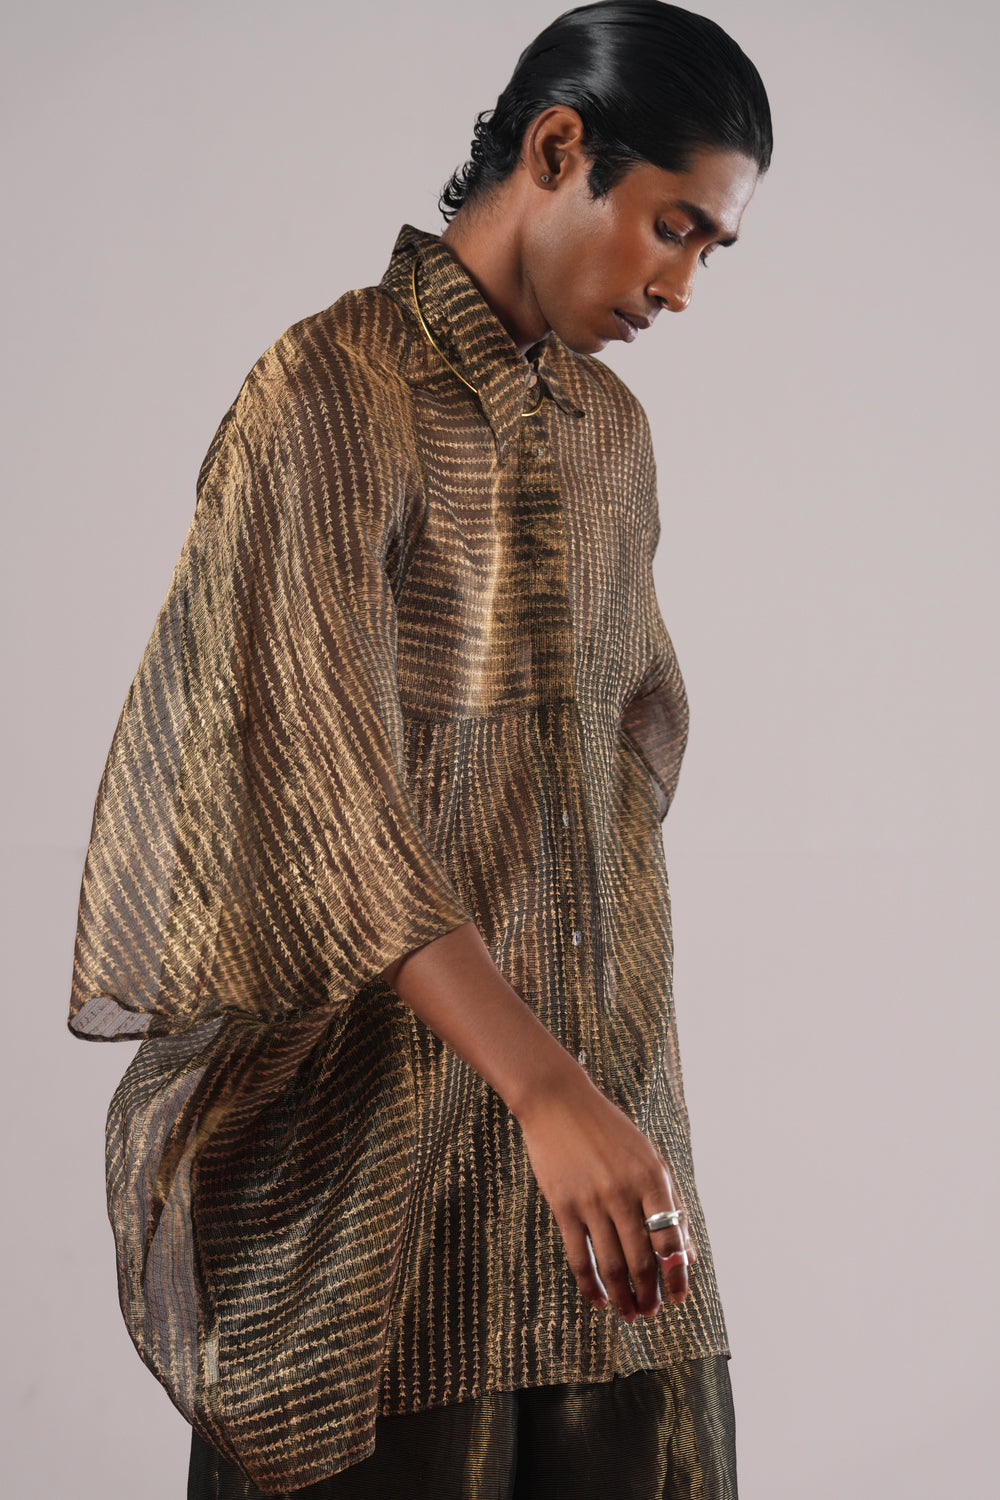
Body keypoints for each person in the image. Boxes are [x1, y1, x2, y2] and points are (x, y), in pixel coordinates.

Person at [68, 3, 772, 1495]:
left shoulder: (608, 435)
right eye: (674, 229)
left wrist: (591, 1082)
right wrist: (542, 1088)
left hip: (602, 1150)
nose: (682, 287)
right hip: (371, 1171)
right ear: (558, 148)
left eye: (712, 252)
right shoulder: (330, 392)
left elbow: (616, 773)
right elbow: (313, 792)